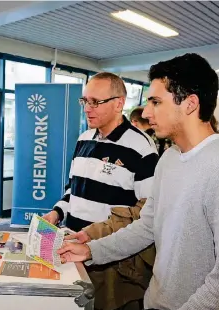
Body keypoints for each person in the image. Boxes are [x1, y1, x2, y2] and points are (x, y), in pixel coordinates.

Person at [58, 53, 219, 310]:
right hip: (154, 301)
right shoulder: (169, 159)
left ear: (190, 104)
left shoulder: (215, 166)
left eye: (156, 102)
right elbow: (147, 226)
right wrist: (92, 251)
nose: (145, 112)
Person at [43, 72, 158, 232]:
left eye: (95, 102)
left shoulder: (142, 148)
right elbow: (73, 191)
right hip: (70, 243)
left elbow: (146, 213)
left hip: (109, 252)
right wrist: (57, 213)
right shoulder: (83, 139)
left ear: (119, 104)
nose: (87, 109)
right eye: (85, 101)